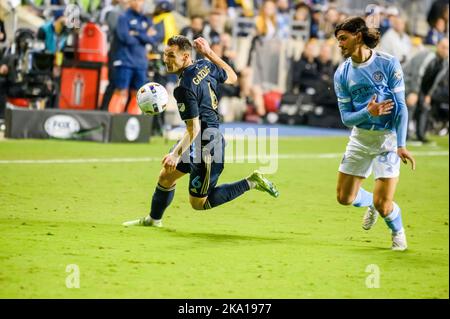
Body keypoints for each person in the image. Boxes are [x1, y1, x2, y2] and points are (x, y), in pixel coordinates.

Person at [123, 35, 279, 228]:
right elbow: (232, 76)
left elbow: (193, 128)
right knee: (166, 175)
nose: (166, 60)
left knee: (199, 203)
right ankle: (153, 220)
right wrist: (209, 53)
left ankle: (251, 182)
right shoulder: (205, 65)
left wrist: (175, 154)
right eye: (165, 55)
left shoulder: (183, 88)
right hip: (201, 139)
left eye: (171, 55)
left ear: (186, 56)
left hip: (208, 147)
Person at [333, 17, 416, 251]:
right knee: (344, 198)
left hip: (387, 139)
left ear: (358, 36)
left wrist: (401, 144)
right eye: (338, 40)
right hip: (360, 138)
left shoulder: (389, 64)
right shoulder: (342, 73)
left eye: (343, 39)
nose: (339, 44)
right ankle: (370, 202)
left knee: (384, 205)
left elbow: (400, 107)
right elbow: (346, 118)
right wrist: (368, 112)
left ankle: (397, 231)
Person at [108, 0, 161, 114]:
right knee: (121, 91)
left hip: (141, 63)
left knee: (138, 93)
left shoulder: (146, 19)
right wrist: (144, 35)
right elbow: (126, 38)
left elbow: (153, 39)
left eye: (141, 1)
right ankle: (113, 120)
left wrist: (136, 33)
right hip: (125, 61)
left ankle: (132, 123)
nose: (139, 3)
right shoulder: (123, 17)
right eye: (136, 0)